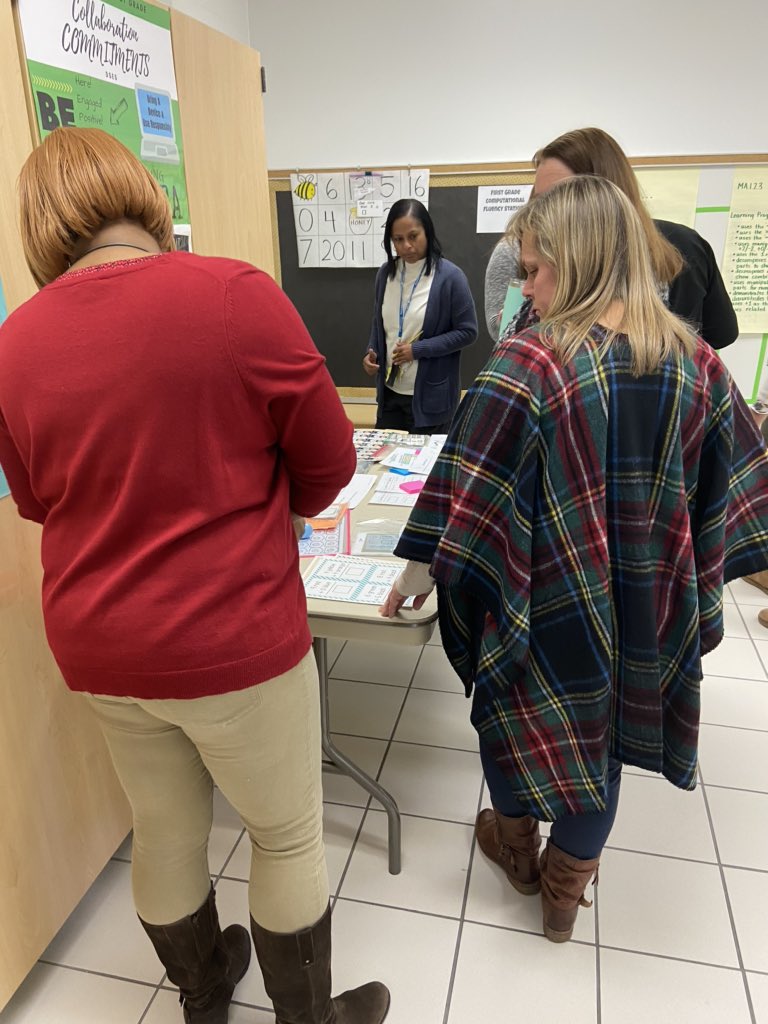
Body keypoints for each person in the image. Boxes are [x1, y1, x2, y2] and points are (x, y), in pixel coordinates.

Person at [0, 128, 390, 1024]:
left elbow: (34, 502)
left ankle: (204, 996)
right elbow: (329, 465)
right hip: (234, 639)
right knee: (285, 832)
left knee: (165, 829)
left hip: (101, 648)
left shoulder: (13, 347)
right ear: (142, 195)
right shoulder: (229, 293)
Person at [381, 175, 768, 943]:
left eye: (532, 269)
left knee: (511, 723)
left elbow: (459, 496)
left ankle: (518, 852)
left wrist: (413, 577)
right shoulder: (697, 365)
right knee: (609, 739)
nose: (524, 289)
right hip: (646, 607)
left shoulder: (526, 366)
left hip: (544, 599)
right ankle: (564, 896)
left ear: (580, 258)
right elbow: (739, 487)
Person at [484, 127, 739, 350]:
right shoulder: (515, 250)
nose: (545, 211)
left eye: (562, 196)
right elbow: (502, 335)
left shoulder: (683, 248)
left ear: (602, 196)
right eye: (539, 200)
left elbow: (719, 334)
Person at [362, 198, 477, 433]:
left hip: (431, 400)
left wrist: (418, 350)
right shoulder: (386, 275)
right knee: (383, 465)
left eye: (413, 236)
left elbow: (468, 332)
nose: (406, 246)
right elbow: (379, 322)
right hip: (390, 394)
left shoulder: (450, 277)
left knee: (424, 468)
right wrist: (372, 352)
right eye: (398, 239)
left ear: (428, 231)